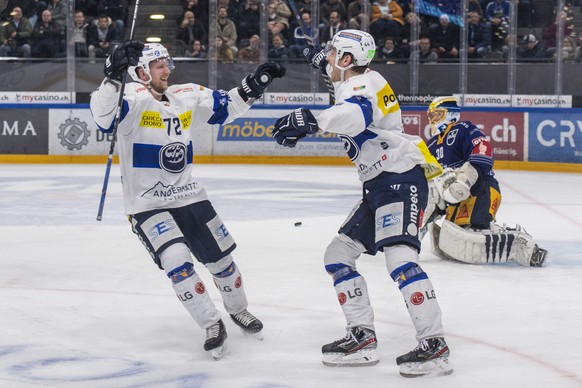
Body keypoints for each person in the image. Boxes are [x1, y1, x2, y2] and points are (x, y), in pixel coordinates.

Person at [272, 29, 452, 377]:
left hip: (399, 180)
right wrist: (315, 57)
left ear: (347, 59)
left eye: (332, 52)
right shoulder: (359, 77)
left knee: (400, 259)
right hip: (379, 185)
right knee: (338, 255)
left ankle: (434, 345)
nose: (327, 57)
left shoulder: (361, 88)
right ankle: (362, 337)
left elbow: (356, 114)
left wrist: (312, 121)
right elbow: (338, 78)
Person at [89, 41, 286, 359]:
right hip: (148, 204)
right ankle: (212, 324)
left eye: (168, 63)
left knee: (222, 263)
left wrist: (257, 82)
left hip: (190, 198)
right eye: (159, 65)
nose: (167, 69)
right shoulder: (131, 99)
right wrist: (111, 75)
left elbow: (227, 107)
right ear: (141, 72)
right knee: (177, 263)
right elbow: (102, 117)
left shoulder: (187, 95)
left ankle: (238, 311)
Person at [422, 96, 548, 267]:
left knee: (475, 232)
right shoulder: (430, 145)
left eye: (438, 114)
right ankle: (411, 235)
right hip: (454, 200)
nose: (434, 119)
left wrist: (464, 180)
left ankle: (521, 244)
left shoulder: (462, 128)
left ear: (451, 113)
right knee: (433, 196)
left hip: (480, 190)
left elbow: (482, 149)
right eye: (432, 115)